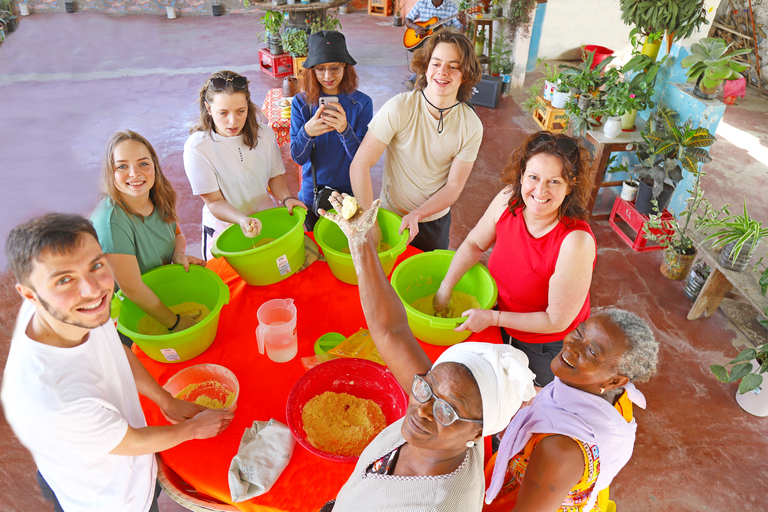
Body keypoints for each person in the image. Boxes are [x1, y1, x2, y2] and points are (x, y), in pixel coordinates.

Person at [1, 213, 234, 512]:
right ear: (29, 295)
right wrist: (194, 429)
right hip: (115, 497)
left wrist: (166, 401)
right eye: (64, 279)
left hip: (99, 449)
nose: (93, 289)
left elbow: (113, 350)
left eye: (96, 265)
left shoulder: (68, 311)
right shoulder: (55, 399)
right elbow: (132, 441)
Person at [319, 194, 536, 512]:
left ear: (479, 431)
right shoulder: (442, 411)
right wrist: (361, 240)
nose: (421, 409)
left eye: (447, 410)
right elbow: (391, 330)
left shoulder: (432, 505)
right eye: (425, 386)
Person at [433, 131, 596, 386]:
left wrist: (493, 319)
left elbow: (556, 320)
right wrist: (444, 290)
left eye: (554, 181)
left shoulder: (575, 242)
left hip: (548, 344)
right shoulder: (508, 201)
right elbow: (475, 243)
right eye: (533, 177)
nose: (540, 191)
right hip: (501, 318)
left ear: (571, 184)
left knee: (532, 399)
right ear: (521, 175)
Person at [483, 309, 659, 512]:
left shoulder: (558, 451)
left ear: (614, 380)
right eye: (579, 332)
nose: (571, 347)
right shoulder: (617, 396)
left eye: (592, 352)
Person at [350, 29, 482, 252]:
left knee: (425, 281)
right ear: (425, 67)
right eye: (436, 63)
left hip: (434, 220)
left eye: (454, 66)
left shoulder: (471, 125)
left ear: (466, 74)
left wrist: (419, 214)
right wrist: (369, 223)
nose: (442, 72)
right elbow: (360, 164)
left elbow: (453, 186)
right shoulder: (400, 107)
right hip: (391, 216)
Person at [90, 130, 205, 343]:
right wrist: (176, 322)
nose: (135, 173)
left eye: (143, 163)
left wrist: (179, 254)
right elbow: (132, 289)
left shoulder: (158, 195)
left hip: (159, 293)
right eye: (122, 166)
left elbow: (177, 234)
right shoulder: (112, 220)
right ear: (110, 172)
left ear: (154, 165)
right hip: (127, 315)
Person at [183, 70, 307, 258]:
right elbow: (214, 201)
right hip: (225, 229)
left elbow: (275, 175)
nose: (233, 121)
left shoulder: (264, 134)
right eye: (223, 113)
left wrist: (287, 198)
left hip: (266, 219)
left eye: (241, 111)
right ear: (208, 108)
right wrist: (241, 219)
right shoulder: (198, 147)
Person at [290, 30, 373, 230]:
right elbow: (298, 158)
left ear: (345, 66)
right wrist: (307, 132)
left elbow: (364, 160)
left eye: (335, 68)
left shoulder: (361, 103)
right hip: (314, 196)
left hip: (351, 194)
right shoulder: (301, 104)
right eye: (320, 69)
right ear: (311, 70)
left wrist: (345, 130)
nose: (328, 76)